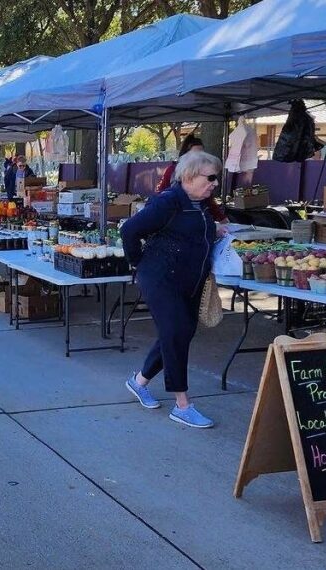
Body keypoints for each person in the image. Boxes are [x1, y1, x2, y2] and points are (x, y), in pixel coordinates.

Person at [120, 151, 222, 429]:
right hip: (162, 278)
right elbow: (129, 230)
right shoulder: (168, 201)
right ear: (189, 175)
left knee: (179, 333)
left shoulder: (200, 204)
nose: (215, 183)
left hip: (189, 280)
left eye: (217, 178)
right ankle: (182, 405)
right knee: (175, 333)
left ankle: (138, 382)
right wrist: (138, 263)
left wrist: (215, 231)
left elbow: (190, 231)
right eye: (210, 177)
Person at [158, 136, 230, 235]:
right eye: (196, 153)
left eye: (202, 153)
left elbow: (209, 202)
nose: (200, 157)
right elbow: (134, 229)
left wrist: (220, 219)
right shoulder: (167, 199)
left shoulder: (202, 197)